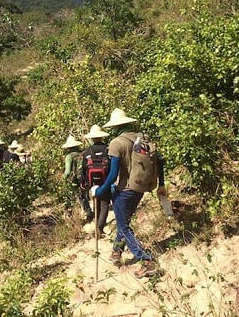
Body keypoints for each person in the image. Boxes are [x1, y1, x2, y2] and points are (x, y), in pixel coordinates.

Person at [92, 108, 166, 279]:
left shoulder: (116, 143)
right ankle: (116, 252)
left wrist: (99, 191)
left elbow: (112, 175)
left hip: (124, 190)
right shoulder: (143, 139)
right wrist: (161, 184)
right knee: (124, 221)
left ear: (116, 127)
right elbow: (160, 162)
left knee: (124, 227)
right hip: (140, 188)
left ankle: (147, 261)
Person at [82, 124, 111, 237]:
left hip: (92, 182)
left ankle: (97, 225)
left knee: (96, 202)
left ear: (92, 138)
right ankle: (100, 227)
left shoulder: (87, 152)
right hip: (106, 180)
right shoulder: (107, 149)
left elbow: (84, 169)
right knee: (105, 203)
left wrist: (86, 183)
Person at [62, 135, 93, 221]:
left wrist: (63, 179)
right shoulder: (82, 153)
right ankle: (88, 211)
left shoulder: (69, 156)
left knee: (70, 196)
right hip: (84, 178)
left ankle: (69, 215)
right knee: (83, 195)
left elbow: (68, 171)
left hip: (74, 179)